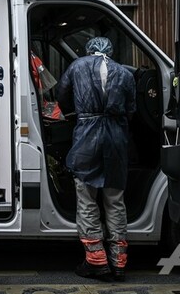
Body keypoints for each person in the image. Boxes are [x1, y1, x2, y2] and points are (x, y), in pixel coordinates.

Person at [56, 36, 136, 281]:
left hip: (87, 139)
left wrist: (80, 114)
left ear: (89, 49)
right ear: (109, 50)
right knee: (115, 200)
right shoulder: (125, 74)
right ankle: (119, 261)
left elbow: (62, 95)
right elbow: (131, 109)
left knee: (87, 199)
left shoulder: (77, 66)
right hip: (116, 140)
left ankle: (96, 260)